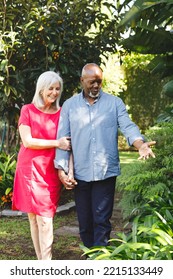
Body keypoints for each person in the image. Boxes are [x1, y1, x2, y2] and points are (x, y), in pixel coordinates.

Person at [54, 63, 156, 248]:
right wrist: (61, 170)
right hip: (80, 173)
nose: (96, 86)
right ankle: (89, 253)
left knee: (102, 219)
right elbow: (63, 139)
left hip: (105, 171)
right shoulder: (69, 106)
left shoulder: (114, 103)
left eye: (99, 82)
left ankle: (99, 259)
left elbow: (128, 126)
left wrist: (140, 144)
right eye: (92, 82)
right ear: (82, 81)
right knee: (84, 222)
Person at [12, 71, 72, 260]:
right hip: (29, 169)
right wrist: (57, 143)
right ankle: (42, 263)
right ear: (41, 89)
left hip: (50, 171)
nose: (54, 93)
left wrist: (69, 169)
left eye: (57, 89)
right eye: (51, 88)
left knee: (45, 219)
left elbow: (70, 145)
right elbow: (28, 141)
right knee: (33, 218)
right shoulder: (27, 110)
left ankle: (46, 263)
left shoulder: (63, 114)